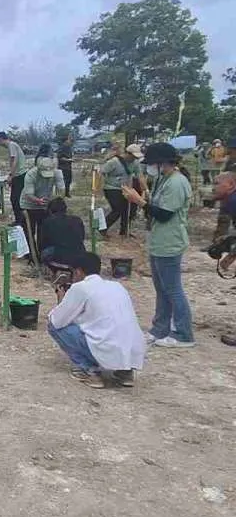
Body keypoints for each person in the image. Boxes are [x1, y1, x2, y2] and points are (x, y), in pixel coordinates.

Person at [121, 142, 194, 349]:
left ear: (162, 162)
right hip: (158, 242)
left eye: (152, 163)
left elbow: (164, 214)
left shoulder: (177, 183)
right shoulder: (164, 179)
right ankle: (159, 328)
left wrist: (140, 202)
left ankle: (183, 333)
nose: (150, 167)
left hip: (170, 242)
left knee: (173, 290)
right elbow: (155, 208)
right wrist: (142, 195)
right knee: (161, 289)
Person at [47, 251, 145, 388]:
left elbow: (57, 321)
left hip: (106, 347)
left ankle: (89, 370)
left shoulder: (80, 287)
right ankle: (125, 372)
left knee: (54, 327)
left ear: (79, 272)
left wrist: (61, 298)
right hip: (131, 351)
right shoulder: (117, 286)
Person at [19, 157, 66, 261]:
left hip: (45, 205)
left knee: (44, 231)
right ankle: (31, 255)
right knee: (29, 231)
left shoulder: (58, 173)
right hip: (29, 204)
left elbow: (61, 191)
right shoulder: (31, 174)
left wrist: (53, 201)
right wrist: (37, 201)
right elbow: (28, 194)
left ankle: (43, 254)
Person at [100, 144, 141, 237]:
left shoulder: (135, 163)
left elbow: (140, 176)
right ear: (127, 153)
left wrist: (145, 190)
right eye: (133, 156)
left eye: (136, 157)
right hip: (111, 188)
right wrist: (99, 187)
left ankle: (124, 231)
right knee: (117, 209)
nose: (134, 159)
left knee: (128, 210)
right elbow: (101, 172)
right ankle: (102, 228)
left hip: (126, 188)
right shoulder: (113, 162)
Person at [39, 197, 86, 265]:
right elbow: (82, 237)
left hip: (59, 255)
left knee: (45, 252)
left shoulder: (48, 222)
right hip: (79, 254)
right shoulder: (77, 220)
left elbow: (43, 242)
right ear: (65, 209)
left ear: (50, 210)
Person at [0, 131, 28, 226]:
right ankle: (20, 220)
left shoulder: (11, 145)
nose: (0, 145)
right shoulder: (13, 145)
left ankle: (20, 221)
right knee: (15, 198)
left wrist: (11, 176)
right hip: (18, 175)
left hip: (19, 175)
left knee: (15, 198)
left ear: (1, 139)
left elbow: (14, 160)